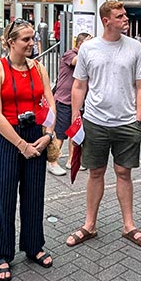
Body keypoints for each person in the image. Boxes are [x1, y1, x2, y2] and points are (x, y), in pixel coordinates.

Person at [67, 1, 141, 249]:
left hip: (127, 123)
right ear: (106, 21)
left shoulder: (135, 48)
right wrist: (75, 117)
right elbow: (79, 85)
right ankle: (89, 225)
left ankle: (129, 226)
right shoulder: (88, 49)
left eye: (125, 14)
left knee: (124, 174)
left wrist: (139, 120)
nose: (125, 18)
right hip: (95, 122)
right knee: (95, 173)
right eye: (120, 16)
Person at [0, 20, 57, 281]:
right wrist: (20, 145)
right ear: (11, 41)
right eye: (25, 39)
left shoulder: (39, 68)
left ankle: (34, 245)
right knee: (3, 196)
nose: (31, 43)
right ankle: (2, 254)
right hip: (8, 138)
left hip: (36, 135)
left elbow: (49, 101)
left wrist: (48, 134)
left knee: (34, 194)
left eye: (33, 38)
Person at [47, 32, 91, 176]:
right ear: (80, 44)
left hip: (77, 103)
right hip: (64, 101)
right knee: (60, 134)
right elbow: (75, 61)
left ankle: (71, 160)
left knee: (75, 133)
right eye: (88, 43)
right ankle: (52, 162)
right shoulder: (69, 54)